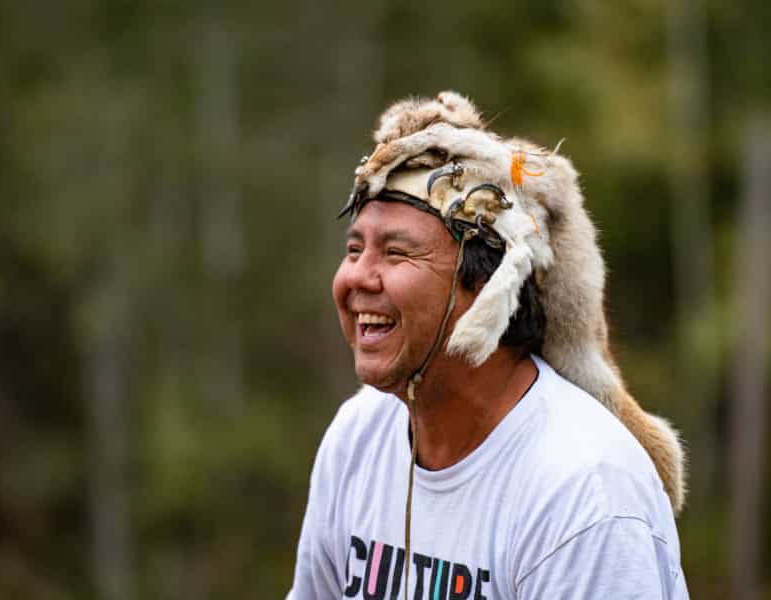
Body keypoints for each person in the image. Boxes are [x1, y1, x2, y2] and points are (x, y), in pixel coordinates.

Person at [287, 92, 689, 599]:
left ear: (487, 285)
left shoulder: (583, 490)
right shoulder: (359, 436)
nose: (357, 278)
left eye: (396, 253)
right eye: (354, 249)